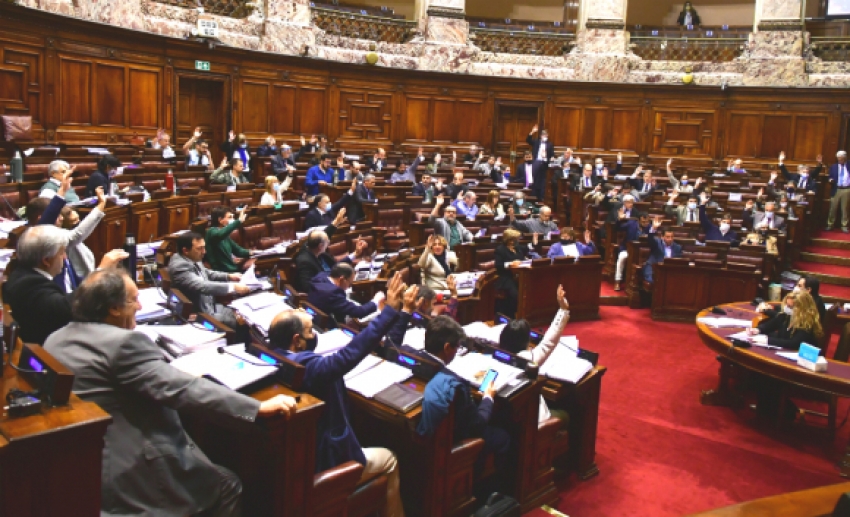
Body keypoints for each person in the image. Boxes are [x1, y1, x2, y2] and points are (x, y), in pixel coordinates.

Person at [44, 269, 296, 516]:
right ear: (113, 308)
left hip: (80, 461)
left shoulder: (55, 338)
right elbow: (182, 389)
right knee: (227, 484)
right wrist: (255, 408)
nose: (140, 307)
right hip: (128, 473)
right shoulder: (124, 344)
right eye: (134, 299)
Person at [268, 273, 410, 517]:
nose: (315, 336)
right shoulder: (309, 369)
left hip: (296, 457)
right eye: (311, 331)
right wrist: (390, 312)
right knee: (390, 458)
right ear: (296, 341)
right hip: (326, 459)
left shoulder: (272, 357)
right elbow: (349, 355)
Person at [416, 316, 510, 488]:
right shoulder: (457, 385)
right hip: (450, 441)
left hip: (418, 444)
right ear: (446, 348)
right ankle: (490, 491)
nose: (457, 350)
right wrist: (488, 397)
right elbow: (478, 424)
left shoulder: (411, 359)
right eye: (456, 347)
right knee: (502, 436)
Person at [498, 285, 570, 422]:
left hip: (508, 418)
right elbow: (549, 340)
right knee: (565, 414)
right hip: (534, 421)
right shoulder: (528, 359)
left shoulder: (498, 355)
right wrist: (563, 309)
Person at [3, 225, 71, 344]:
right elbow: (66, 309)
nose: (65, 257)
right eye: (62, 252)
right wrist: (99, 275)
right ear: (46, 260)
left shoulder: (21, 272)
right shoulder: (30, 285)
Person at [168, 232, 251, 329]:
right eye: (200, 248)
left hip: (211, 306)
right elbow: (202, 285)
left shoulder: (191, 257)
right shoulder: (179, 266)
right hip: (201, 315)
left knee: (244, 315)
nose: (204, 252)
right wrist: (233, 287)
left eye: (204, 247)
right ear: (185, 250)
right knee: (241, 323)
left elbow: (206, 272)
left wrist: (228, 276)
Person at [293, 213, 368, 293]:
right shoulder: (305, 262)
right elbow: (308, 288)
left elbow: (335, 267)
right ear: (321, 246)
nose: (328, 244)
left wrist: (355, 254)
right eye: (327, 243)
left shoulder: (312, 245)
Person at [307, 263, 383, 325]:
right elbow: (359, 312)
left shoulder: (321, 277)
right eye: (349, 284)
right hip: (327, 326)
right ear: (342, 279)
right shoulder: (333, 294)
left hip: (314, 318)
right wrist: (375, 301)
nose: (349, 287)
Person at [748, 291, 823, 350]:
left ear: (801, 309)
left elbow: (794, 344)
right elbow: (770, 325)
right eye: (787, 305)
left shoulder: (807, 323)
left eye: (790, 306)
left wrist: (767, 340)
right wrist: (758, 329)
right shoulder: (786, 315)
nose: (787, 308)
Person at [205, 206, 256, 274]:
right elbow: (220, 235)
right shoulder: (211, 232)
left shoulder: (225, 236)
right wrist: (239, 221)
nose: (233, 219)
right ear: (220, 220)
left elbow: (238, 251)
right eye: (230, 217)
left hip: (233, 271)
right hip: (222, 274)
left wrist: (254, 253)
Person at [494, 228, 530, 317]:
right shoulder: (500, 250)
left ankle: (525, 314)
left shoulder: (517, 248)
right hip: (506, 276)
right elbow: (498, 265)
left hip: (520, 275)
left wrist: (525, 261)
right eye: (515, 239)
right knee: (515, 295)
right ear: (509, 240)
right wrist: (511, 264)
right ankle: (512, 315)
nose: (517, 241)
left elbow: (522, 258)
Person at [614, 212, 651, 291]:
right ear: (638, 221)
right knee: (622, 257)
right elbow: (618, 228)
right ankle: (617, 281)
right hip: (628, 249)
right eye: (643, 222)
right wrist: (619, 220)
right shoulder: (631, 224)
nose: (646, 224)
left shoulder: (650, 227)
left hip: (643, 253)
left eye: (647, 222)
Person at [644, 218, 684, 284]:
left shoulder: (677, 247)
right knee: (654, 280)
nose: (670, 239)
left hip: (669, 272)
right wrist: (653, 228)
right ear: (662, 237)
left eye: (672, 237)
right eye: (668, 237)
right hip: (653, 268)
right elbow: (650, 240)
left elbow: (678, 262)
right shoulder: (657, 243)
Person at [526, 124, 555, 201]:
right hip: (535, 163)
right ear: (540, 136)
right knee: (533, 180)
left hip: (544, 164)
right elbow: (528, 140)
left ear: (547, 136)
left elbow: (552, 155)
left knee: (542, 182)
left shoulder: (550, 144)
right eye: (543, 135)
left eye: (545, 135)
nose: (544, 136)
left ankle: (541, 198)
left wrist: (548, 157)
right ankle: (533, 197)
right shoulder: (536, 141)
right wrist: (532, 132)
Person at [828, 150, 850, 232]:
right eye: (838, 159)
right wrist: (830, 180)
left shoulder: (849, 165)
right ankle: (830, 224)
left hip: (846, 189)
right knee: (833, 208)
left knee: (845, 209)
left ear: (845, 158)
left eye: (841, 159)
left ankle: (844, 226)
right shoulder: (833, 167)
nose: (840, 160)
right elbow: (830, 176)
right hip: (836, 188)